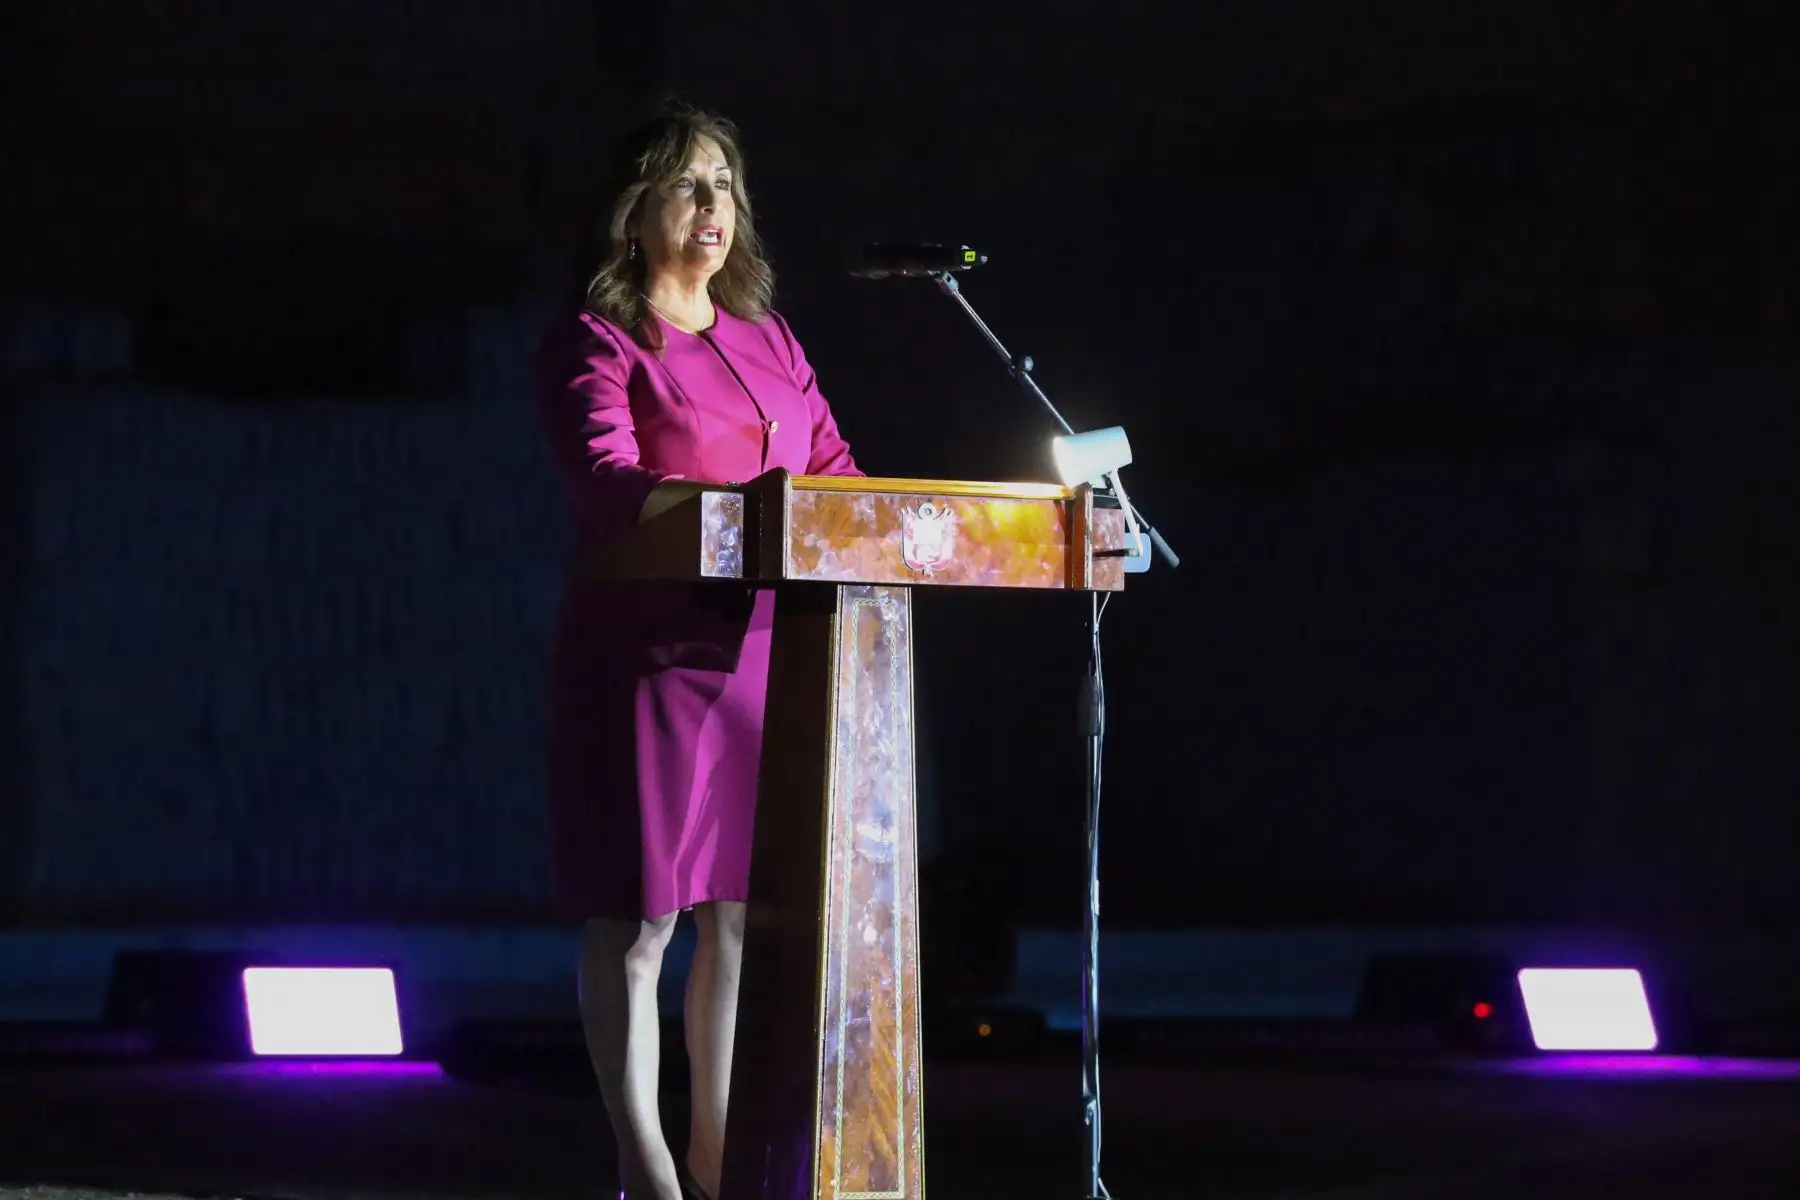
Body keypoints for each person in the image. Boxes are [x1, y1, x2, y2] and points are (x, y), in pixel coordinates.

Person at [533, 107, 862, 1200]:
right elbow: (607, 481)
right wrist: (738, 512)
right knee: (643, 919)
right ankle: (649, 1172)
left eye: (724, 183)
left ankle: (721, 1171)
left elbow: (836, 473)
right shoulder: (599, 339)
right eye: (686, 184)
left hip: (766, 653)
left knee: (735, 918)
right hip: (650, 657)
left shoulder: (768, 337)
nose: (713, 205)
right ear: (633, 212)